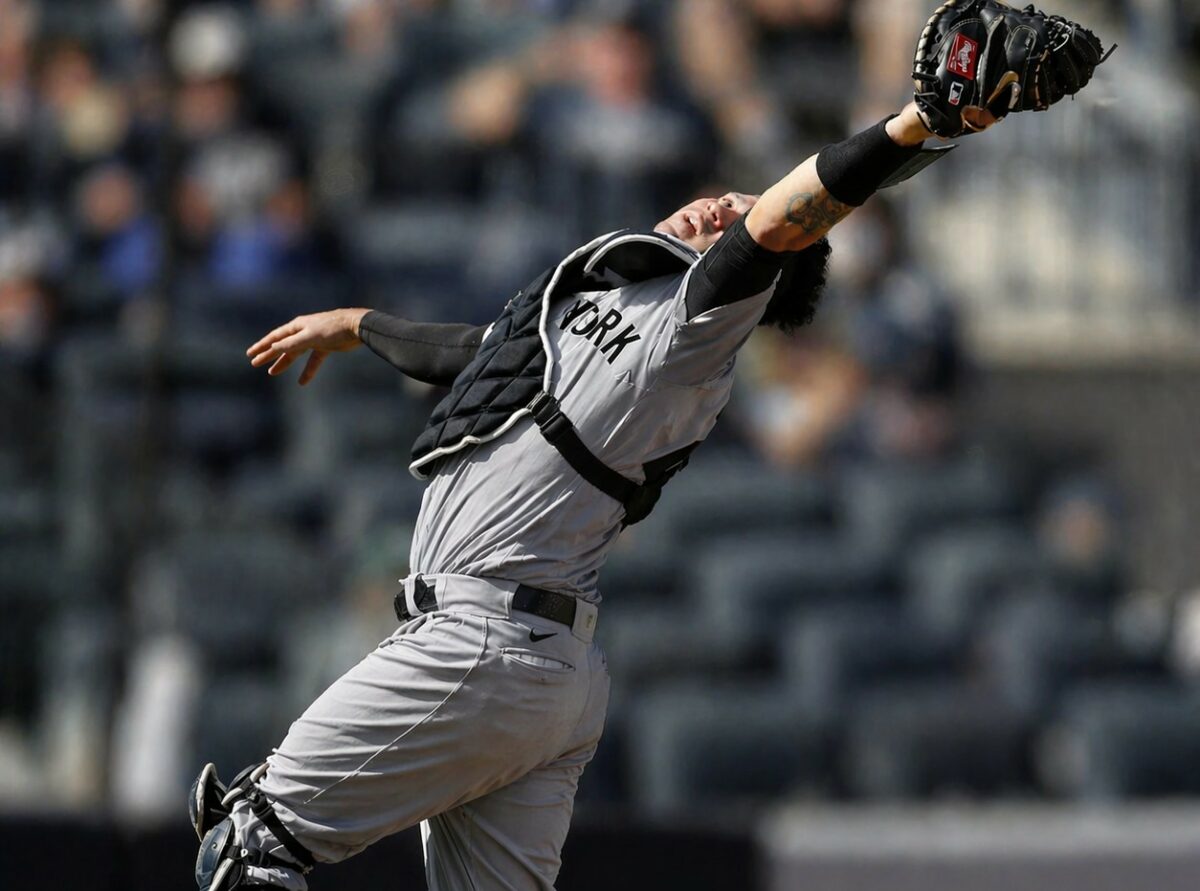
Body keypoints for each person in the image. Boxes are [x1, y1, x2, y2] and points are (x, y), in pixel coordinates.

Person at [190, 5, 1108, 887]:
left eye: (740, 216)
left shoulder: (691, 335)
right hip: (533, 661)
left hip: (482, 639)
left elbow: (794, 213)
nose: (719, 207)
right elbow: (482, 357)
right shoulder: (612, 315)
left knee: (246, 845)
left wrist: (918, 124)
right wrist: (358, 322)